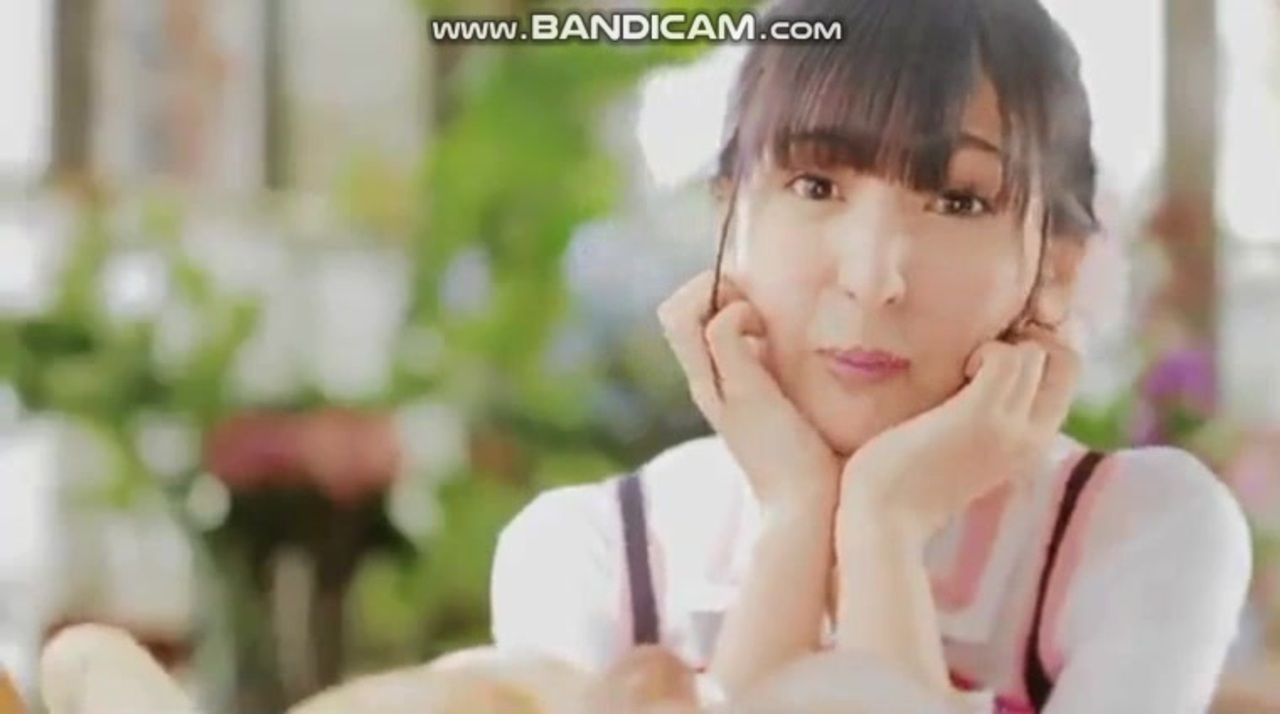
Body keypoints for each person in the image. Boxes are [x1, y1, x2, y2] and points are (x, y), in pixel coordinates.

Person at [490, 0, 1254, 711]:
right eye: (815, 185)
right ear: (729, 216)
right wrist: (796, 518)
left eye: (958, 201)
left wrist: (884, 524)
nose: (872, 277)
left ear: (1055, 265)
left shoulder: (1138, 531)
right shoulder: (592, 554)